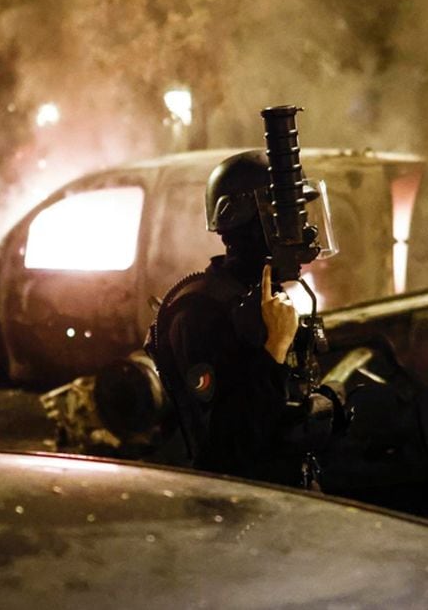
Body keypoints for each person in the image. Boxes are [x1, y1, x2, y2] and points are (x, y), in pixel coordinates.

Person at [145, 150, 344, 487]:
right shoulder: (198, 313)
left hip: (286, 494)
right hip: (238, 504)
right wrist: (274, 348)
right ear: (247, 222)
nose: (305, 231)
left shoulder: (265, 298)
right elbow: (227, 447)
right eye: (287, 218)